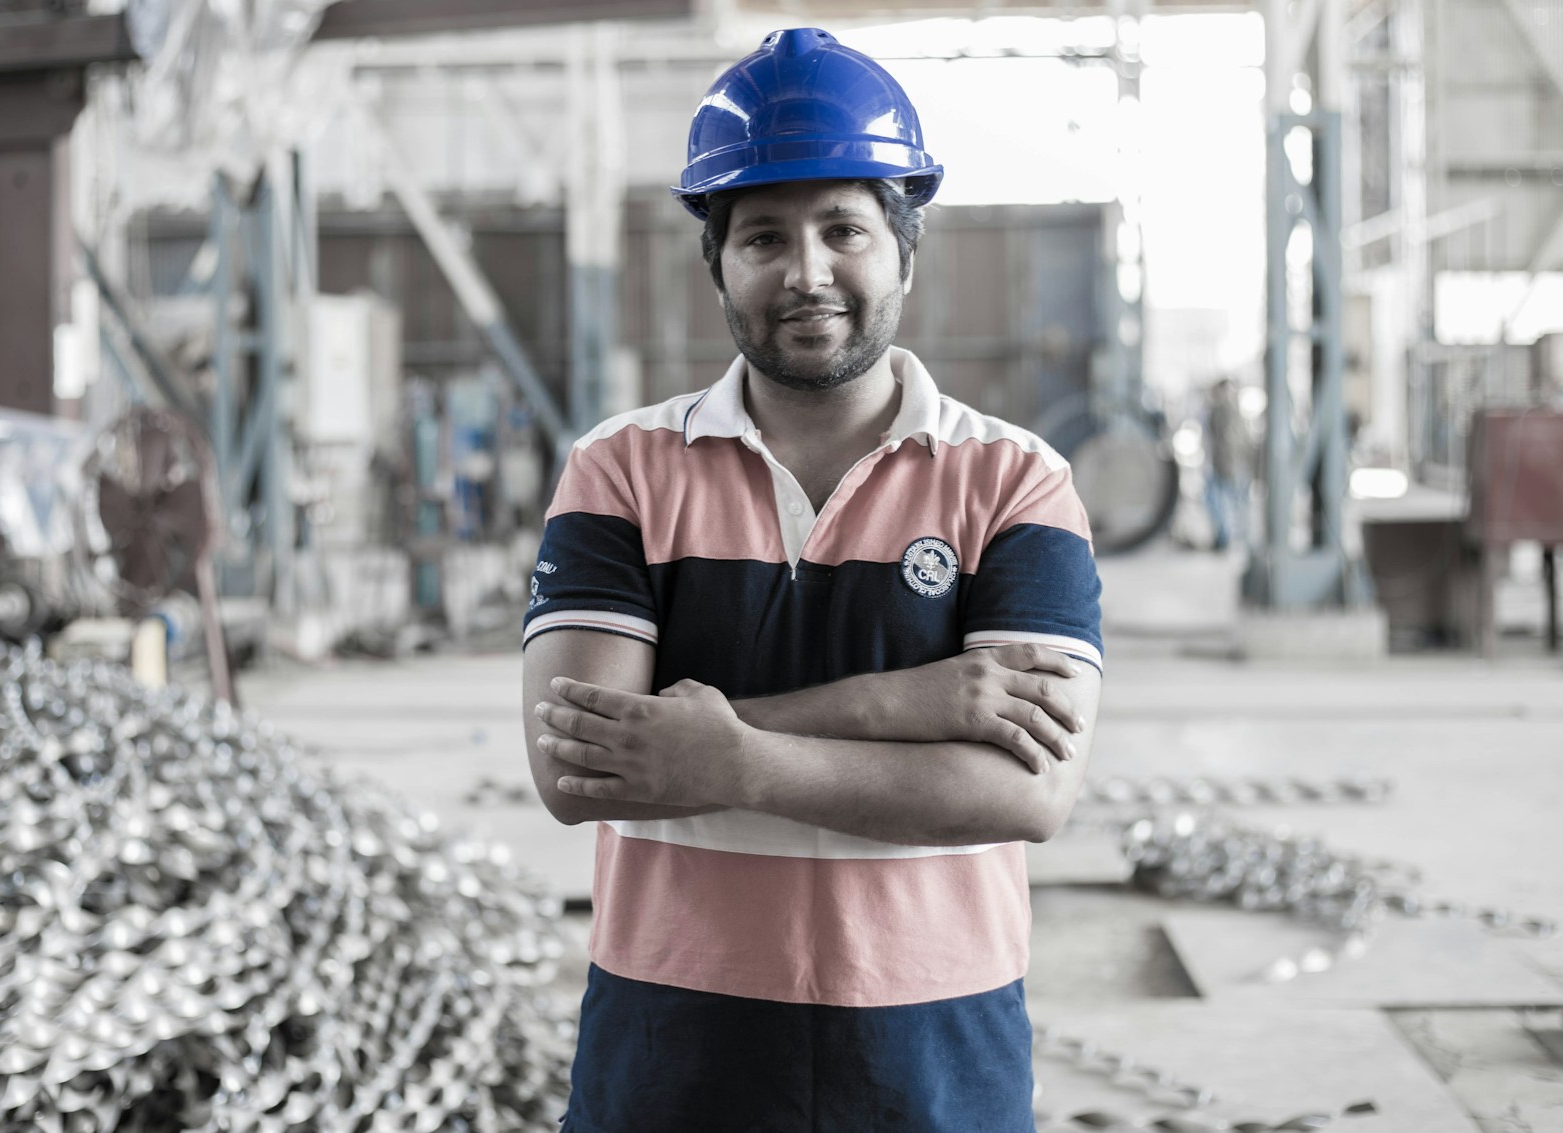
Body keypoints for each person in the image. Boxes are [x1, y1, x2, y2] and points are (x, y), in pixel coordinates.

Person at [520, 28, 1104, 1133]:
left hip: (933, 1054)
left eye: (845, 229)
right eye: (763, 238)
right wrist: (898, 704)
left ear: (905, 252)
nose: (807, 273)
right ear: (718, 264)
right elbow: (581, 771)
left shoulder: (1016, 480)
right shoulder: (621, 471)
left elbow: (1025, 790)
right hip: (673, 1048)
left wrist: (725, 752)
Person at [1202, 377, 1253, 552]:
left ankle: (1226, 538)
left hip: (1226, 465)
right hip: (1232, 465)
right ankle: (1239, 538)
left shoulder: (1221, 410)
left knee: (1221, 501)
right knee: (1233, 503)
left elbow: (1226, 441)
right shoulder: (1235, 410)